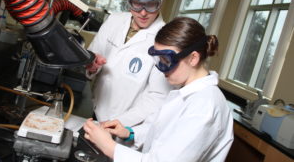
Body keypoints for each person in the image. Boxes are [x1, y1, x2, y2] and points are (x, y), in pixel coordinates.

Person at [83, 17, 234, 162]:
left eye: (166, 60)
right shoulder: (185, 92)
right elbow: (162, 133)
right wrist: (130, 133)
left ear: (193, 58)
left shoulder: (204, 107)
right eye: (158, 60)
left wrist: (109, 146)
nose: (161, 69)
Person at [86, 0, 172, 126]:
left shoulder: (166, 40)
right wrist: (92, 67)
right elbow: (92, 57)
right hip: (96, 110)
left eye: (151, 4)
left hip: (129, 125)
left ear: (160, 1)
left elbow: (158, 96)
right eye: (137, 3)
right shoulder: (114, 20)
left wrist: (119, 123)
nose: (144, 12)